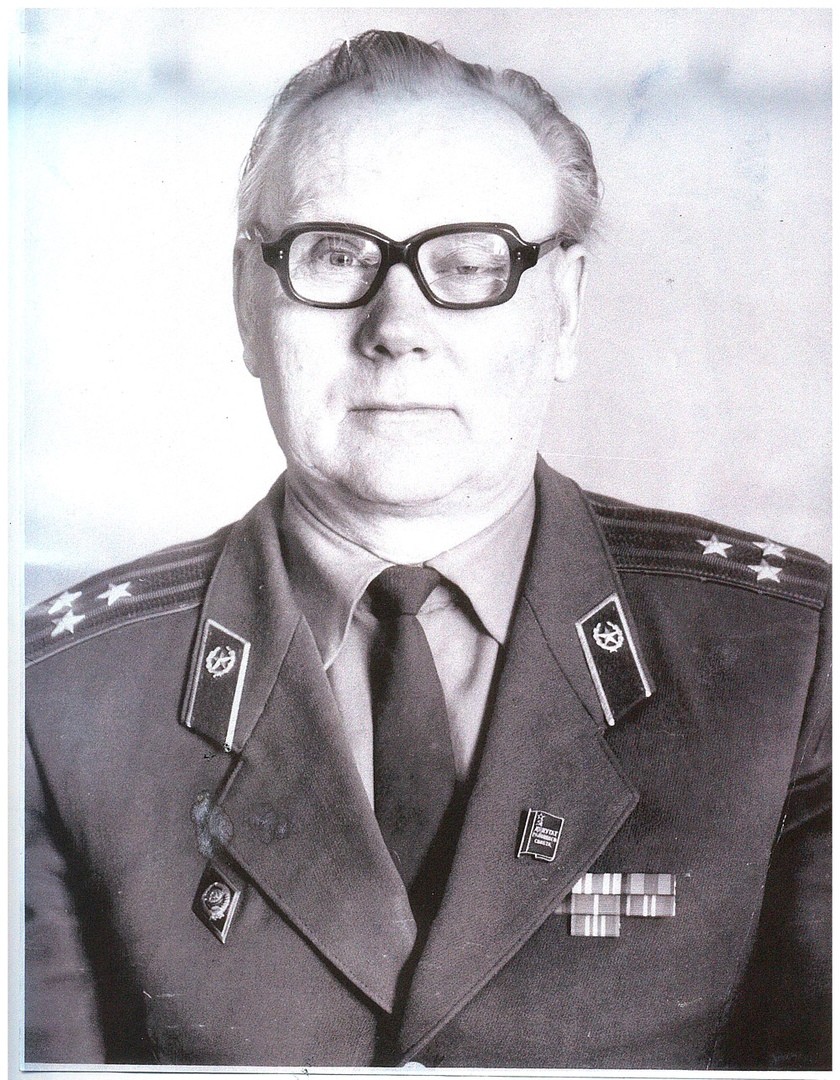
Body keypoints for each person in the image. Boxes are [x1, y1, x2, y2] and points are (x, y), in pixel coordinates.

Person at [24, 29, 830, 1070]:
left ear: (565, 308)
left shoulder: (791, 663)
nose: (397, 325)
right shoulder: (56, 702)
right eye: (336, 255)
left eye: (468, 263)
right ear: (247, 303)